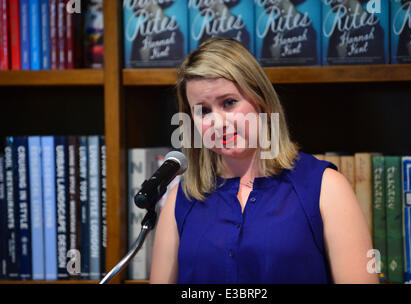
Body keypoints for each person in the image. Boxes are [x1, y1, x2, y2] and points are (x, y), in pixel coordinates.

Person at [149, 37, 379, 284]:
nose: (217, 123)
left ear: (262, 101)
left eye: (229, 103)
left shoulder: (326, 187)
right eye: (203, 111)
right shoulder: (180, 199)